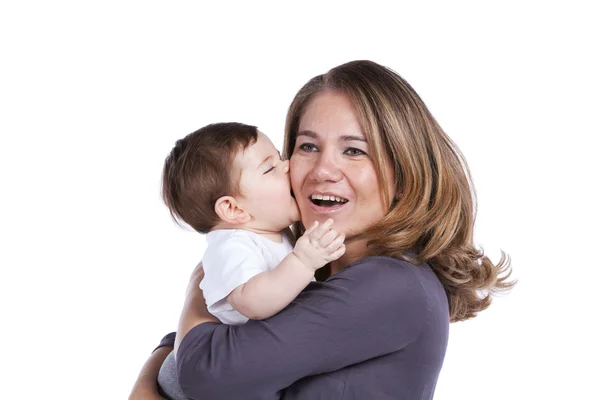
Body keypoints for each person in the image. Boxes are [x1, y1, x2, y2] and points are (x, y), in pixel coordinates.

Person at [129, 60, 514, 400]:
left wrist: (195, 296)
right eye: (308, 146)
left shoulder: (390, 284)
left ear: (405, 173)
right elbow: (221, 344)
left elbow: (206, 374)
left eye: (354, 151)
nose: (322, 171)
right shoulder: (311, 273)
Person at [161, 122, 345, 326]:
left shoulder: (271, 232)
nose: (288, 166)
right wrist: (303, 262)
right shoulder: (231, 246)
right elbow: (252, 303)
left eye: (280, 157)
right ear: (233, 209)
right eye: (270, 168)